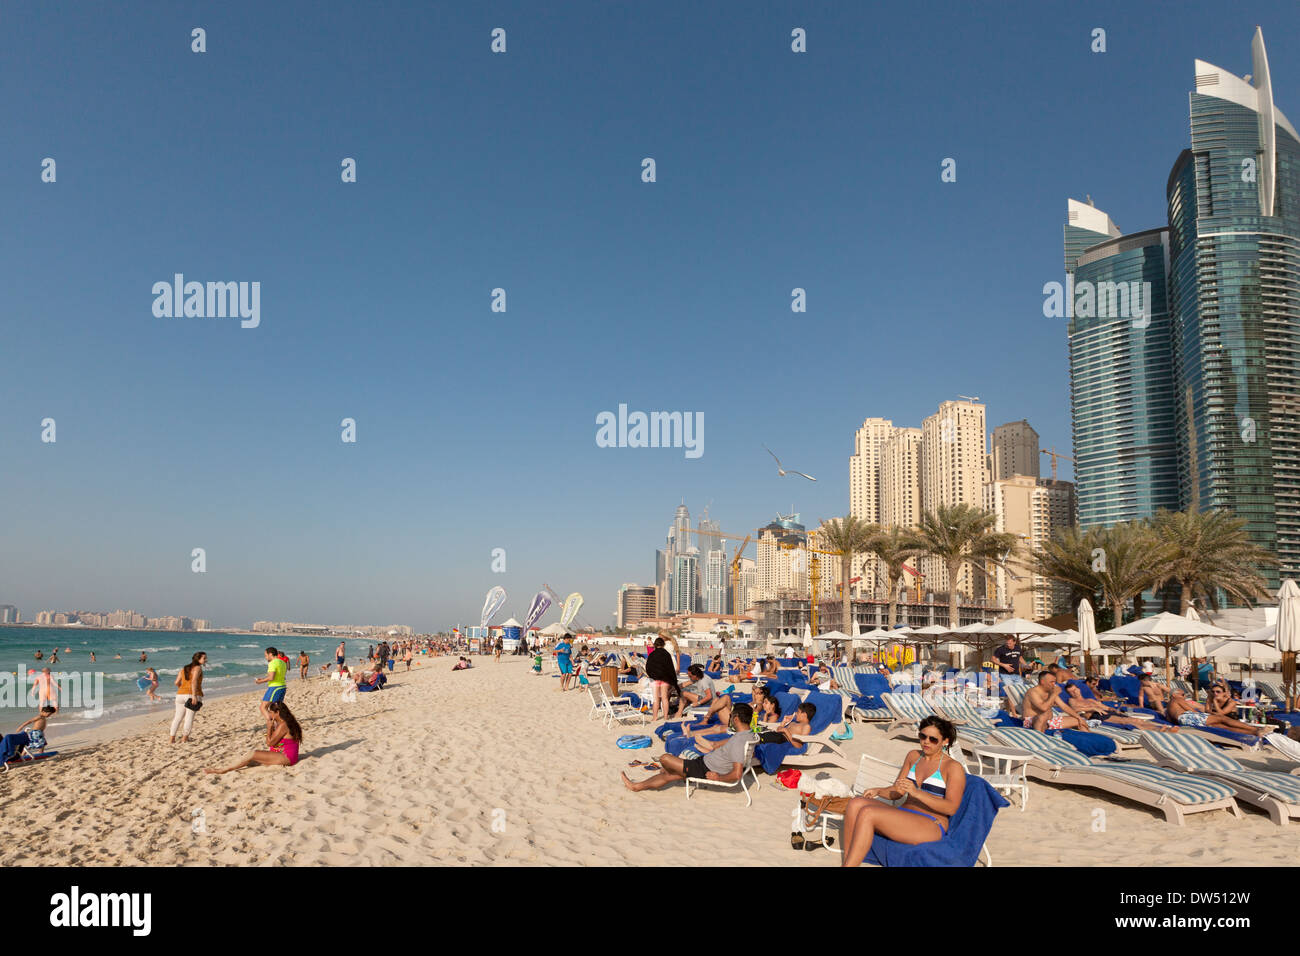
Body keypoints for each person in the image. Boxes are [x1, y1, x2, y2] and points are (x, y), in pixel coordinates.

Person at [839, 716, 967, 866]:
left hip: (931, 823)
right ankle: (849, 861)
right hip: (904, 814)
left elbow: (951, 808)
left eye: (933, 739)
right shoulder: (913, 756)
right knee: (856, 803)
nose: (926, 741)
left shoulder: (952, 767)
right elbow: (897, 791)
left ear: (945, 741)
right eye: (922, 736)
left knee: (868, 813)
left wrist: (917, 793)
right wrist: (879, 791)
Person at [621, 704, 756, 793]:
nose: (730, 718)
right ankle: (636, 787)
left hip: (705, 769)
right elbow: (718, 746)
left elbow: (737, 774)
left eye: (731, 716)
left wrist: (718, 778)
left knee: (665, 758)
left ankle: (646, 781)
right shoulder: (749, 735)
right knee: (668, 775)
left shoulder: (739, 741)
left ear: (737, 719)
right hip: (703, 763)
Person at [205, 701, 303, 773]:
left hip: (286, 757)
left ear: (277, 712)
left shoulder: (283, 725)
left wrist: (268, 728)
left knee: (252, 754)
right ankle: (229, 767)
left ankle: (223, 770)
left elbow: (269, 743)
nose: (269, 714)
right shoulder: (284, 722)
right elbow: (274, 739)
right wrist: (271, 728)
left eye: (271, 712)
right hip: (285, 755)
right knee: (248, 760)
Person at [1169, 687, 1266, 735]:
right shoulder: (1177, 699)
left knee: (1220, 726)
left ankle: (1253, 733)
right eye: (1182, 694)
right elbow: (1191, 711)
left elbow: (1170, 718)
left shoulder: (1170, 705)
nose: (1184, 696)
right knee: (1221, 718)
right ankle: (1255, 730)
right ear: (1174, 695)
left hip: (1183, 720)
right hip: (1187, 717)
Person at [1020, 668, 1088, 732]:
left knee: (1079, 721)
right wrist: (1054, 694)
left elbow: (1064, 706)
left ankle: (1091, 738)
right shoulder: (1032, 692)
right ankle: (1040, 739)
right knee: (1042, 716)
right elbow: (1043, 708)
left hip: (1049, 722)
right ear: (1042, 682)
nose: (1054, 684)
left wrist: (1079, 717)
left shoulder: (1050, 691)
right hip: (1032, 722)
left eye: (1054, 682)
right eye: (1051, 682)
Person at [170, 652, 206, 743]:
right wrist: (193, 695)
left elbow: (176, 682)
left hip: (180, 695)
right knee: (189, 718)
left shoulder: (184, 668)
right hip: (191, 695)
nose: (206, 660)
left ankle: (172, 739)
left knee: (177, 718)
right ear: (198, 659)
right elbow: (194, 681)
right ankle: (184, 739)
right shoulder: (198, 668)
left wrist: (183, 689)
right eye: (204, 658)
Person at [644, 637, 678, 722]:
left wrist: (652, 675)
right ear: (663, 645)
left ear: (655, 645)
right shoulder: (666, 654)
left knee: (656, 699)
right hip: (665, 680)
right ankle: (666, 717)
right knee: (664, 698)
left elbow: (648, 667)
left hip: (655, 680)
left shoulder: (652, 654)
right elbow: (670, 668)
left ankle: (655, 717)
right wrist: (673, 680)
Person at [255, 646, 288, 725]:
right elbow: (282, 676)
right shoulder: (282, 662)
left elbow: (271, 677)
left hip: (275, 687)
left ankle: (271, 724)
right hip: (282, 686)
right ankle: (278, 724)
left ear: (270, 654)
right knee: (275, 708)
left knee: (263, 707)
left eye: (266, 655)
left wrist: (260, 681)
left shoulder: (272, 663)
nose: (265, 657)